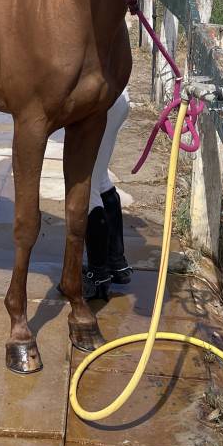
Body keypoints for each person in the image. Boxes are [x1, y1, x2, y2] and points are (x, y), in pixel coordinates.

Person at [82, 87, 133, 300]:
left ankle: (98, 275)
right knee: (100, 179)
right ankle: (117, 264)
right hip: (115, 100)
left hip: (101, 104)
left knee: (88, 188)